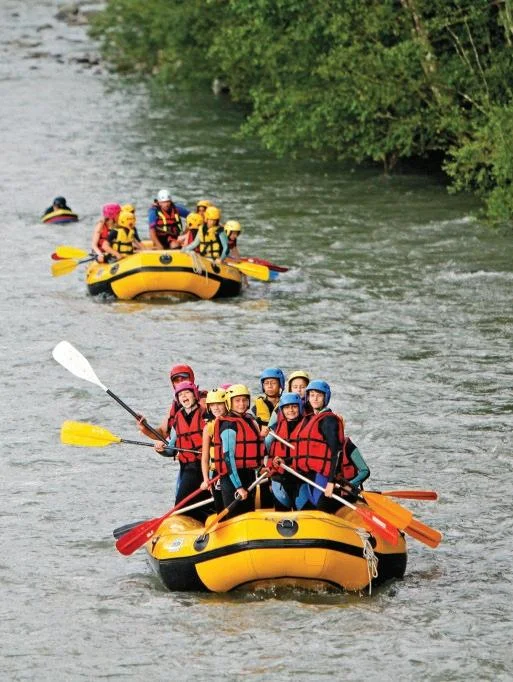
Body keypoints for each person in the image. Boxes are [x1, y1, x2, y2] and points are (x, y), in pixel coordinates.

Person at [295, 380, 369, 513]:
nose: (315, 398)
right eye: (312, 395)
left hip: (323, 478)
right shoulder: (311, 419)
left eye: (319, 395)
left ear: (326, 397)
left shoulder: (328, 420)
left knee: (321, 508)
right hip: (311, 477)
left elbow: (337, 452)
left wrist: (331, 482)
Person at [155, 381, 211, 521]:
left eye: (187, 393)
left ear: (195, 395)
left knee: (182, 507)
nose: (184, 396)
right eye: (180, 394)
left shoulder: (206, 415)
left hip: (205, 467)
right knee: (185, 507)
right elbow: (171, 451)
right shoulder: (178, 418)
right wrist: (161, 449)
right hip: (187, 468)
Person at [212, 384, 263, 518]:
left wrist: (261, 468)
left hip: (249, 476)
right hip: (232, 479)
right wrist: (238, 487)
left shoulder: (249, 420)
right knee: (235, 518)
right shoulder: (229, 425)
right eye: (237, 400)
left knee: (248, 515)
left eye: (244, 400)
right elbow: (228, 459)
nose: (242, 404)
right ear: (230, 402)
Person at [265, 392, 309, 511]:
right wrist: (271, 463)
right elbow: (267, 454)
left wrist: (286, 460)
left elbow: (308, 454)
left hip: (300, 479)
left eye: (294, 407)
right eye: (287, 407)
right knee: (281, 515)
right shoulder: (275, 429)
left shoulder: (308, 427)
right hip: (280, 480)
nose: (291, 410)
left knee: (303, 512)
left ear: (299, 407)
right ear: (282, 410)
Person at [137, 363, 203, 441]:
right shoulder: (175, 407)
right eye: (176, 380)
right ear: (173, 384)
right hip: (185, 451)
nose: (181, 382)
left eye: (184, 378)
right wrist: (145, 428)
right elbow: (162, 433)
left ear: (192, 378)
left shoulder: (205, 400)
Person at [200, 388, 228, 512]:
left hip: (234, 472)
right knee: (220, 507)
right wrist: (206, 479)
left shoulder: (236, 423)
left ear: (226, 404)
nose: (216, 408)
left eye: (219, 404)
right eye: (212, 405)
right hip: (217, 474)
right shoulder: (208, 428)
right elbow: (205, 457)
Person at [252, 368, 285, 433]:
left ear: (280, 384)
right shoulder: (255, 408)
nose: (269, 386)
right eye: (266, 383)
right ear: (263, 386)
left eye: (273, 383)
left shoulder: (287, 404)